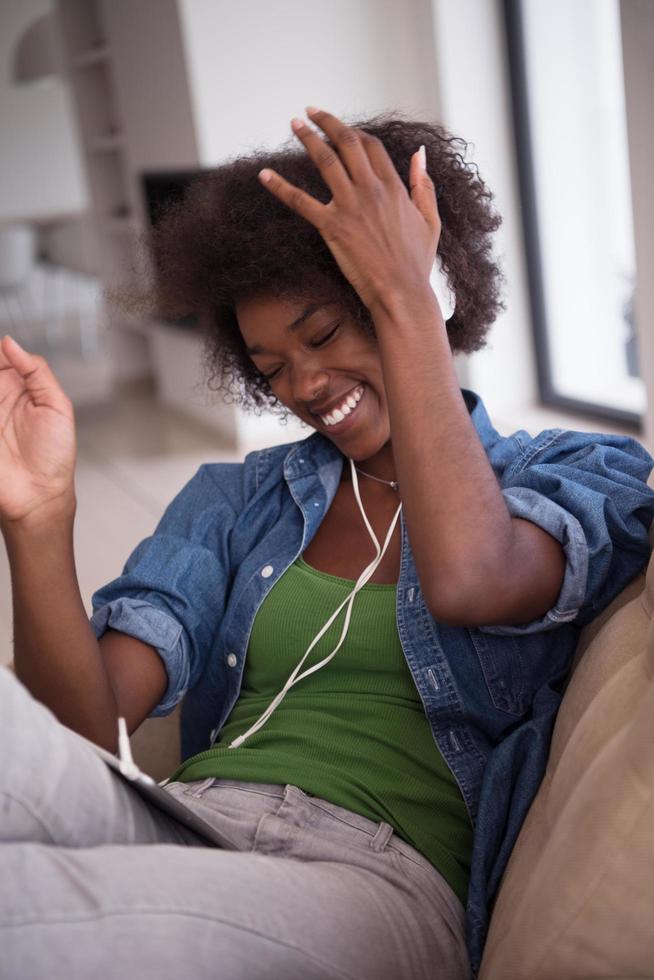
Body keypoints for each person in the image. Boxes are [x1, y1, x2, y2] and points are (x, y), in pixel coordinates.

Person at [1, 108, 653, 980]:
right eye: (271, 367)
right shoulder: (236, 499)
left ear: (429, 291)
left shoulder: (575, 472)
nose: (303, 384)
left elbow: (472, 579)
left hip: (370, 884)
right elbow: (89, 727)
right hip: (188, 821)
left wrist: (404, 297)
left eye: (324, 332)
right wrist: (39, 516)